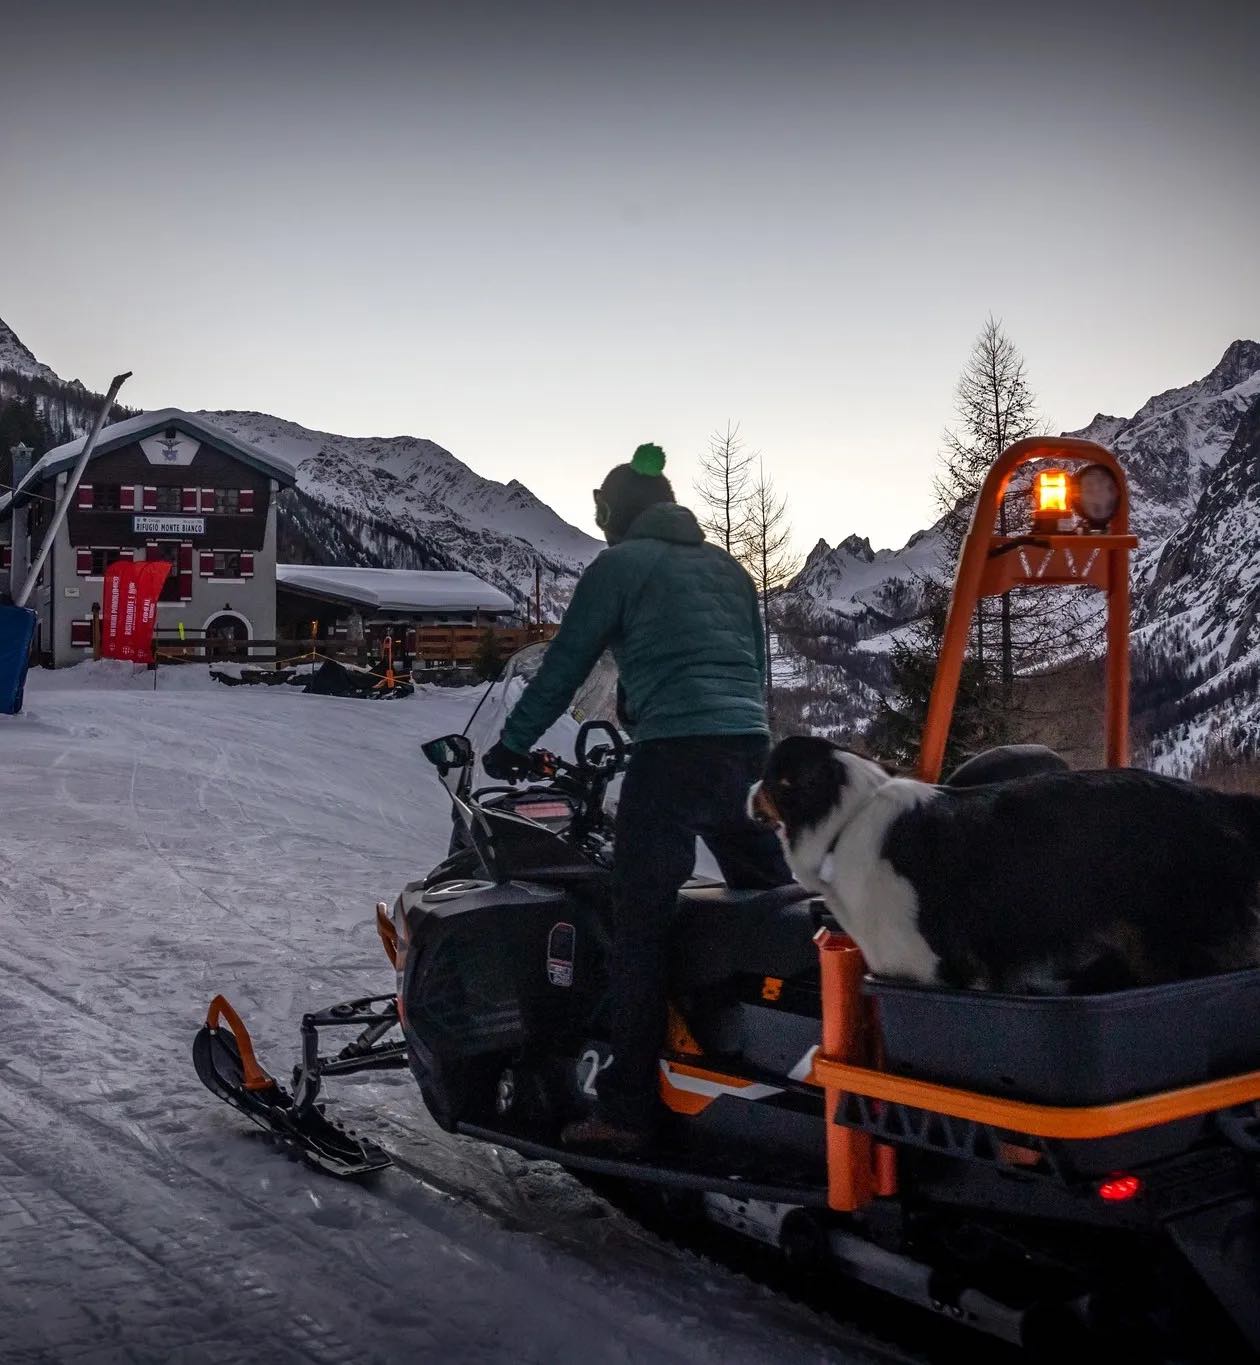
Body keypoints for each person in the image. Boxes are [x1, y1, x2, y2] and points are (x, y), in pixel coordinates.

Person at [482, 442, 792, 1153]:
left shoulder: (619, 566)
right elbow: (755, 668)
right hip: (748, 749)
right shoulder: (729, 569)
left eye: (603, 516)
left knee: (640, 925)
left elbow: (565, 664)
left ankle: (624, 1112)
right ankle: (778, 1063)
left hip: (674, 754)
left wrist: (512, 743)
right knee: (772, 904)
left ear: (618, 515)